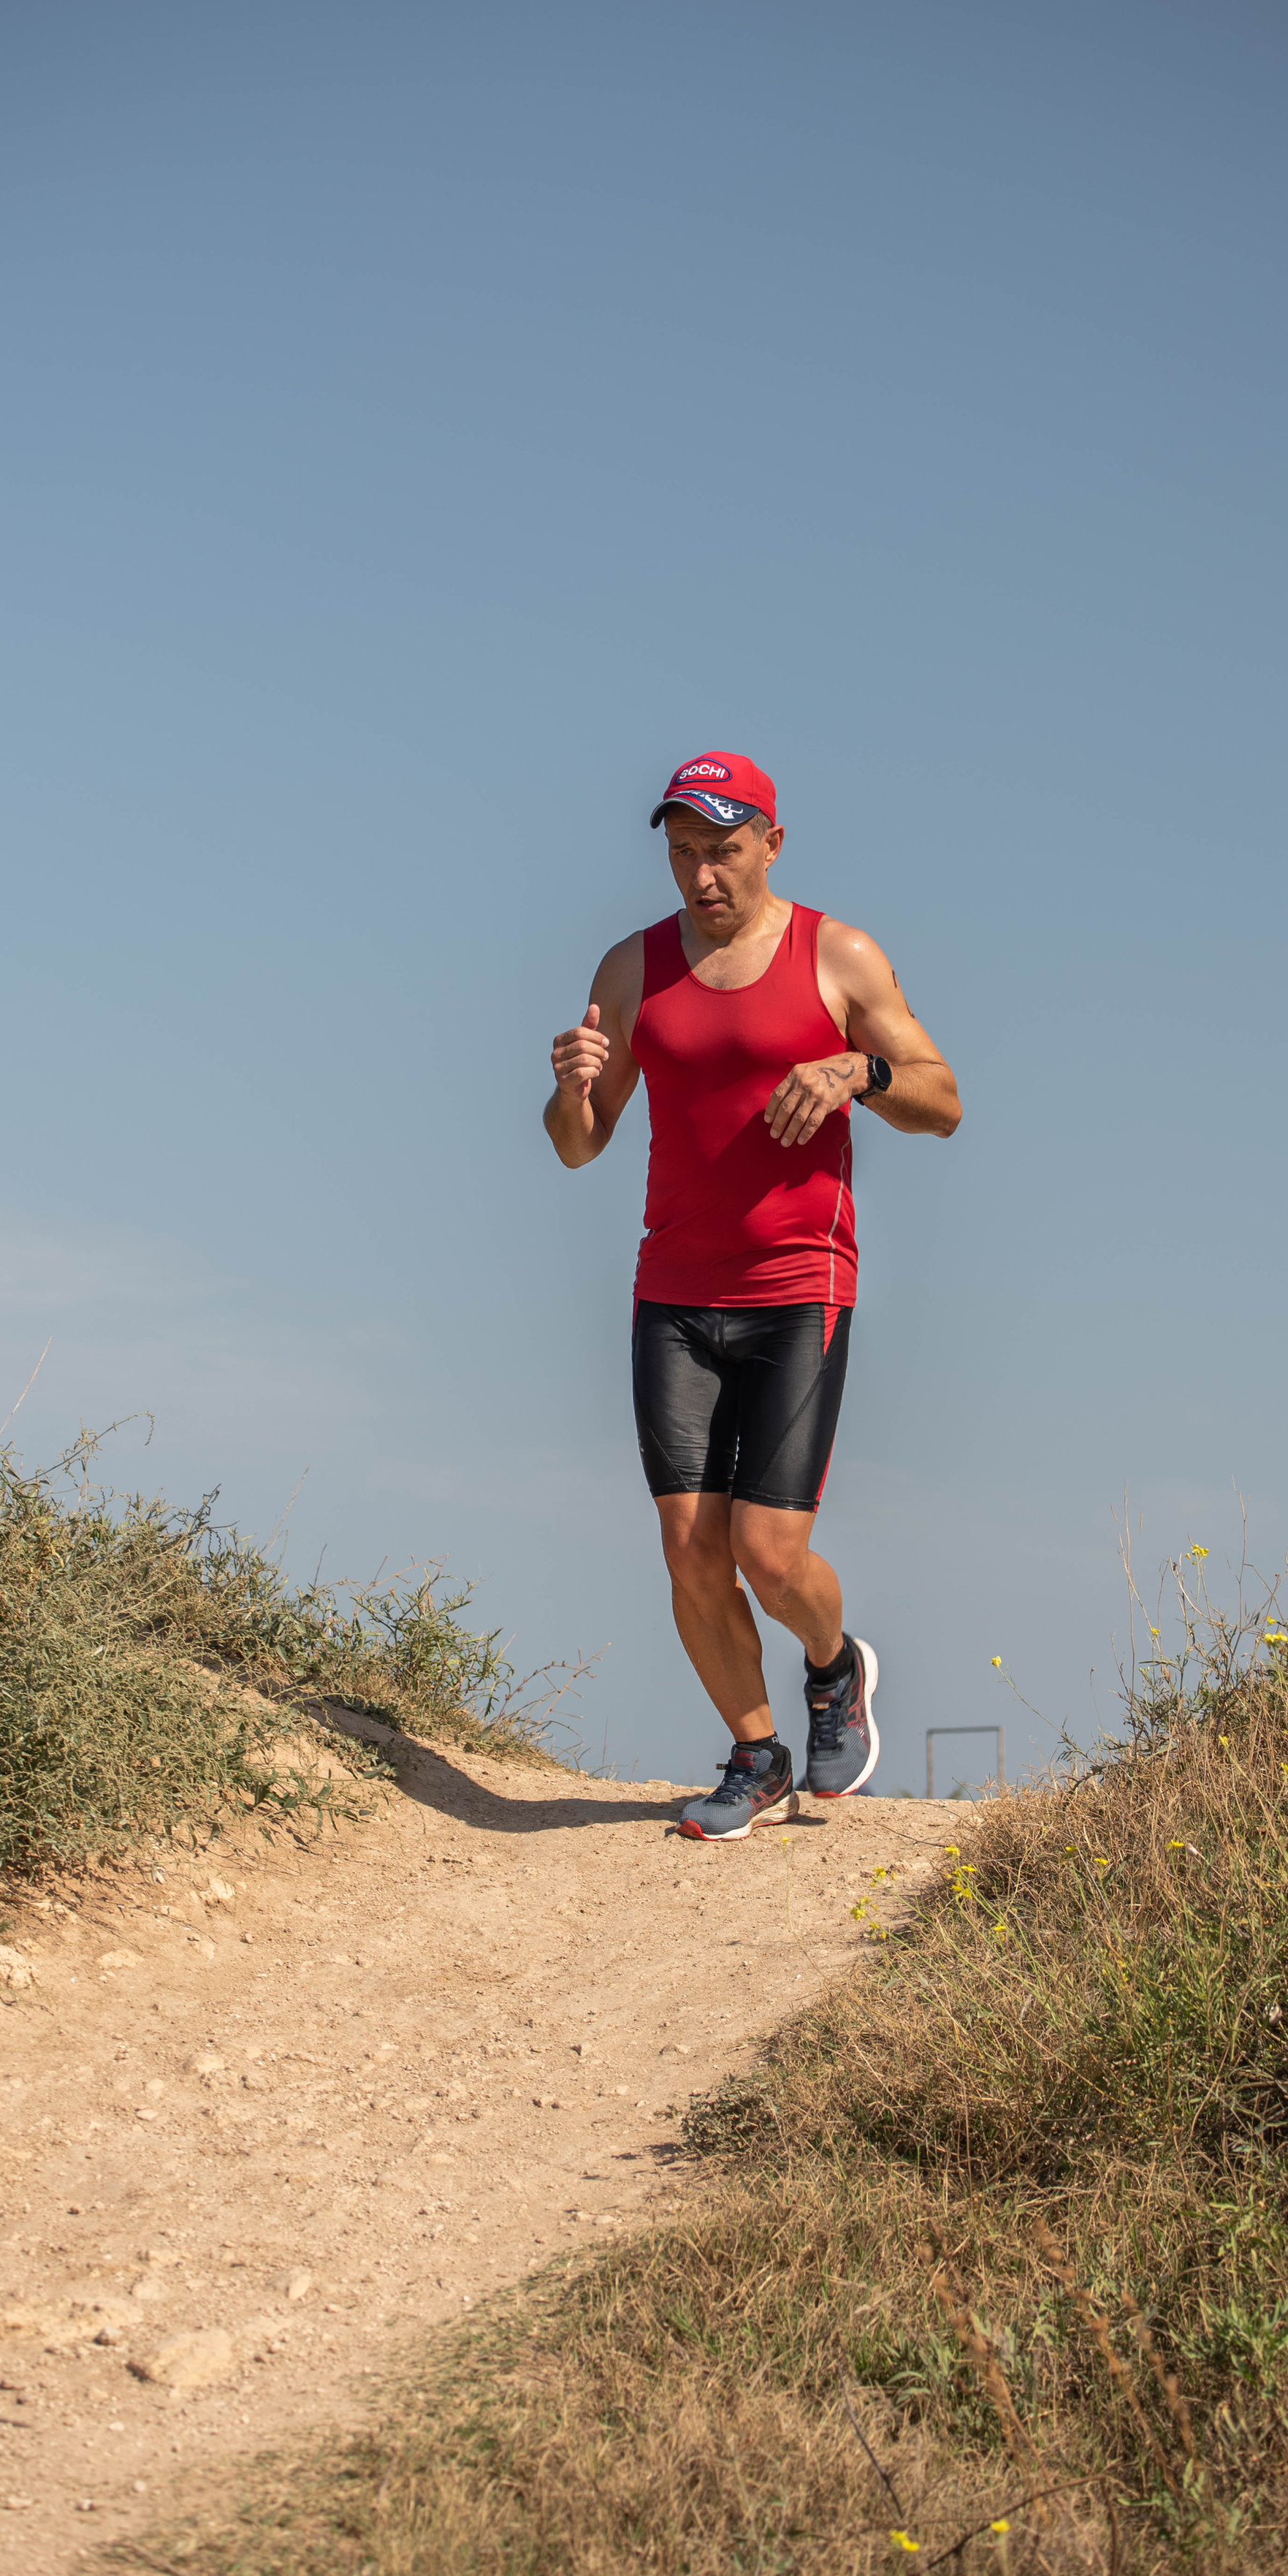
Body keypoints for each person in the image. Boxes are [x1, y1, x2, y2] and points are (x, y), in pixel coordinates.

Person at [544, 751, 961, 1839]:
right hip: (673, 1290)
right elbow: (580, 1149)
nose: (701, 876)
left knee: (768, 1555)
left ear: (772, 843)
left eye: (721, 851)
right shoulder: (633, 968)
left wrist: (855, 1073)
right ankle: (755, 1751)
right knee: (689, 1547)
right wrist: (570, 1090)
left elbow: (943, 1099)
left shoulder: (839, 954)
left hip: (797, 1287)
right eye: (682, 853)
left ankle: (834, 1667)